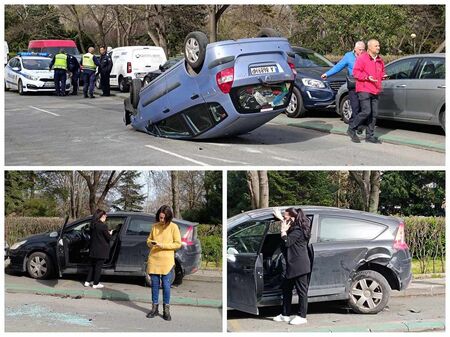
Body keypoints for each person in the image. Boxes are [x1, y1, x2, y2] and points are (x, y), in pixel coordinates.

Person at [272, 207, 311, 325]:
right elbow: (288, 225)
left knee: (302, 292)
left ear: (292, 218)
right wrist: (280, 218)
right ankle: (285, 314)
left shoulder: (298, 231)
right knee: (286, 289)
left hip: (299, 266)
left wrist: (283, 232)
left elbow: (287, 242)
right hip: (292, 265)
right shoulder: (295, 227)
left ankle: (302, 316)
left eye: (285, 216)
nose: (284, 218)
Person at [146, 205, 181, 321]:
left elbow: (178, 244)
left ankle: (166, 310)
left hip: (167, 261)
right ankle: (154, 309)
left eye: (163, 218)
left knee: (166, 286)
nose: (161, 220)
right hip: (154, 259)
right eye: (160, 217)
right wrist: (152, 243)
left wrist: (163, 245)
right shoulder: (154, 226)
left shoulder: (174, 227)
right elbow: (148, 241)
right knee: (154, 285)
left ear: (169, 217)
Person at [348, 39, 387, 144]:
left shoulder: (379, 60)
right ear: (369, 47)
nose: (378, 47)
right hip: (364, 88)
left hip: (375, 89)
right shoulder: (362, 58)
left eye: (379, 46)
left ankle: (369, 136)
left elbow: (382, 71)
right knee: (366, 111)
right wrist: (367, 77)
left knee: (374, 114)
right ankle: (351, 128)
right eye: (376, 46)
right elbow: (356, 73)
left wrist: (383, 76)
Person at [321, 41, 366, 126]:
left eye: (363, 50)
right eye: (360, 50)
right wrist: (327, 74)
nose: (362, 52)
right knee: (355, 106)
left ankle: (355, 124)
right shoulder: (348, 56)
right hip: (353, 85)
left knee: (363, 106)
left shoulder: (366, 56)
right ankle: (356, 126)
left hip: (364, 85)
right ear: (355, 49)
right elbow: (338, 67)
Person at [84, 209, 112, 289]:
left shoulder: (93, 225)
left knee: (92, 266)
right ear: (101, 216)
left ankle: (87, 281)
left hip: (93, 249)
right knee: (98, 267)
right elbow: (109, 238)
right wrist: (110, 233)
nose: (106, 217)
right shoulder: (103, 226)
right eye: (105, 215)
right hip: (101, 250)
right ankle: (96, 283)